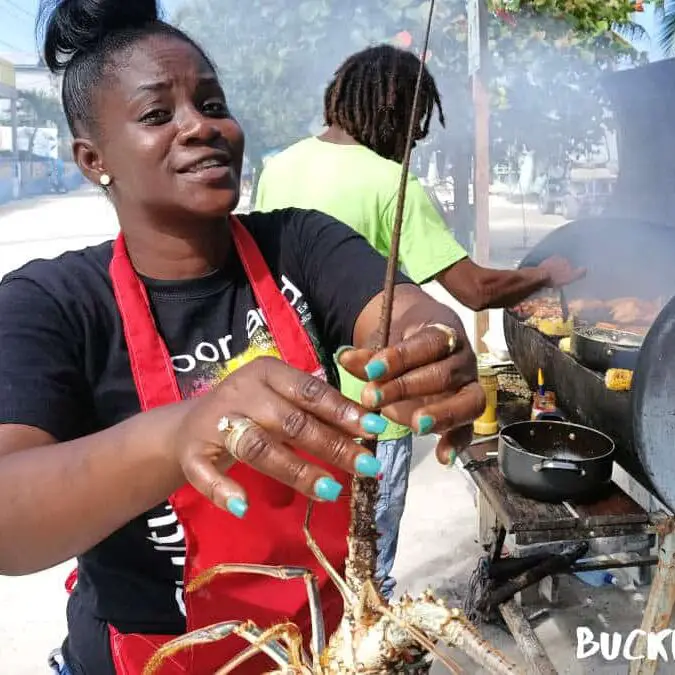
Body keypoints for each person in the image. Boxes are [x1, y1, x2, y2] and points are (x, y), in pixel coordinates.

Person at [0, 3, 486, 675]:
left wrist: (428, 346)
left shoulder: (300, 242)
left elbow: (399, 310)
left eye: (212, 102)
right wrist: (180, 433)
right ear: (93, 159)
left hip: (321, 649)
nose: (201, 126)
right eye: (156, 115)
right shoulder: (51, 302)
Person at [255, 44, 585, 601]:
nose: (414, 142)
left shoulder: (277, 167)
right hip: (374, 409)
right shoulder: (392, 183)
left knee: (303, 560)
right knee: (365, 569)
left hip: (289, 404)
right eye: (415, 127)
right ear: (395, 110)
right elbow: (475, 290)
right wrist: (545, 273)